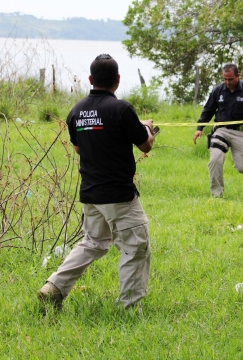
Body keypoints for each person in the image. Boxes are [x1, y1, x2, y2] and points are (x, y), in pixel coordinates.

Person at [38, 54, 154, 312]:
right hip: (119, 196)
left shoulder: (76, 111)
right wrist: (147, 129)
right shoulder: (122, 109)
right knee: (136, 247)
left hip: (90, 194)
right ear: (118, 79)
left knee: (93, 243)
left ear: (91, 79)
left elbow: (79, 149)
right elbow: (145, 145)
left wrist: (135, 126)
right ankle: (130, 309)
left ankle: (54, 287)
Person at [193, 63, 243, 197]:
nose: (227, 82)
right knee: (215, 159)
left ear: (238, 76)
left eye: (230, 79)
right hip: (221, 130)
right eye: (225, 79)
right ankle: (216, 195)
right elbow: (208, 110)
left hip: (240, 133)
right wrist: (199, 128)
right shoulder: (218, 90)